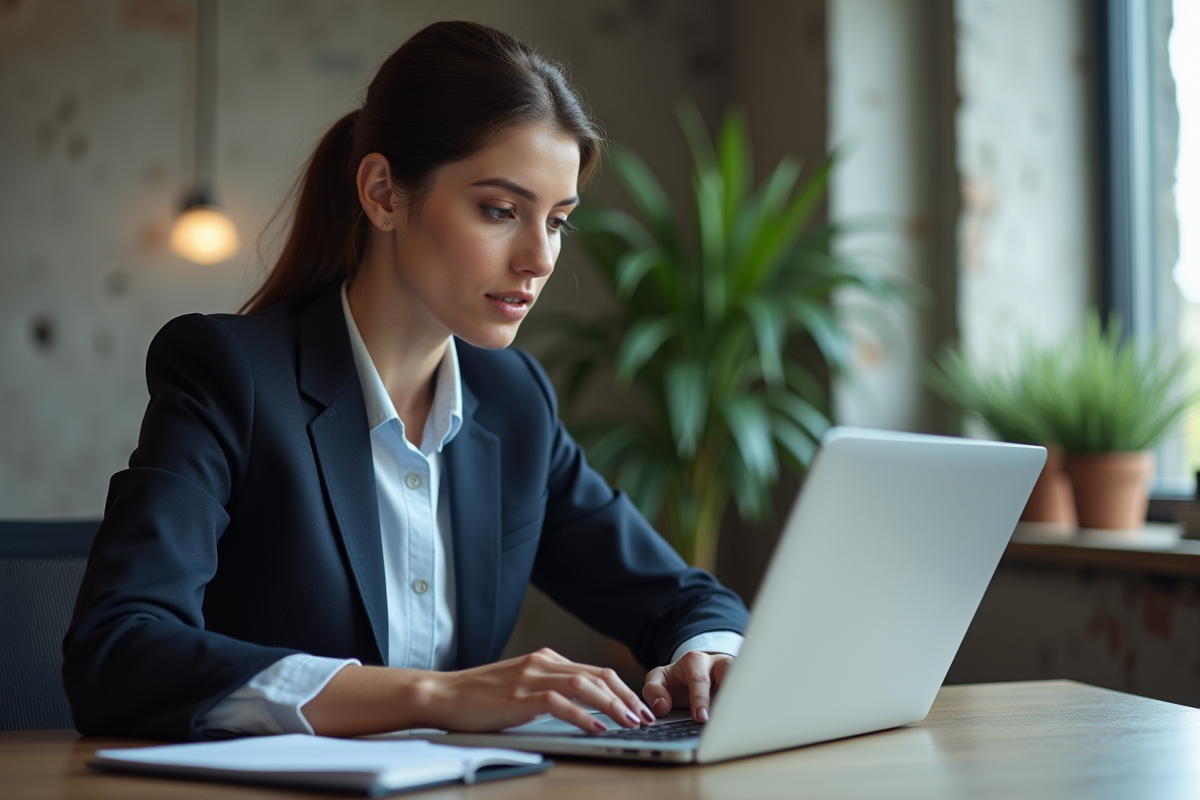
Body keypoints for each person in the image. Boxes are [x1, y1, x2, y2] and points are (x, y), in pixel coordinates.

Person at [63, 20, 749, 742]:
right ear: (384, 193)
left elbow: (684, 598)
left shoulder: (516, 404)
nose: (539, 258)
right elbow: (118, 651)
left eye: (558, 222)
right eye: (500, 210)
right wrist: (434, 695)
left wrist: (707, 655)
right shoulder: (231, 375)